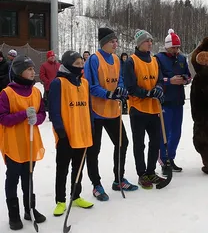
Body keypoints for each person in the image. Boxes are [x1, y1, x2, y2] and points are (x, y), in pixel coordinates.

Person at [84, 27, 136, 202]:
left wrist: (120, 88)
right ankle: (96, 184)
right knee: (94, 150)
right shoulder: (93, 59)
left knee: (122, 143)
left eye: (116, 41)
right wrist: (107, 94)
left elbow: (119, 78)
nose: (116, 44)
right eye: (112, 41)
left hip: (113, 110)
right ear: (104, 43)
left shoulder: (115, 58)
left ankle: (118, 179)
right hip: (96, 112)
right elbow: (90, 85)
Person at [0, 55, 46, 230]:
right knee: (13, 177)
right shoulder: (6, 93)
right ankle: (13, 213)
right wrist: (24, 114)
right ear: (20, 72)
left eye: (33, 69)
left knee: (28, 175)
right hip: (13, 142)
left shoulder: (36, 91)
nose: (33, 72)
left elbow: (42, 112)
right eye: (29, 69)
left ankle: (29, 208)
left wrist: (38, 119)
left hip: (31, 140)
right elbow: (3, 118)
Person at [49, 51, 94, 216]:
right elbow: (53, 110)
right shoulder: (58, 83)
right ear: (68, 65)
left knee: (78, 167)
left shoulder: (84, 83)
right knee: (62, 169)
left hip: (82, 133)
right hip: (66, 135)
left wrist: (91, 127)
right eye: (77, 64)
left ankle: (76, 196)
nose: (80, 67)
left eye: (82, 64)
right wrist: (61, 132)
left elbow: (88, 108)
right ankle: (60, 200)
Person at [124, 29, 166, 189]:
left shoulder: (155, 60)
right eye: (146, 41)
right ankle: (142, 174)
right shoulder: (131, 62)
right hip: (138, 109)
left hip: (154, 109)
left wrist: (160, 88)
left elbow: (160, 79)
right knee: (139, 143)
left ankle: (151, 171)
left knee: (155, 142)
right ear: (139, 43)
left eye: (151, 41)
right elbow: (130, 87)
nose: (150, 43)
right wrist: (148, 93)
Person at [155, 29, 191, 174]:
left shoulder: (182, 59)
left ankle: (171, 158)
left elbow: (188, 75)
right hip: (165, 101)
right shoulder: (158, 58)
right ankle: (163, 161)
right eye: (173, 47)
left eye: (178, 47)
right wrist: (169, 81)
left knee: (176, 132)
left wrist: (185, 79)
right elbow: (156, 79)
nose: (176, 50)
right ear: (167, 46)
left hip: (178, 100)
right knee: (165, 132)